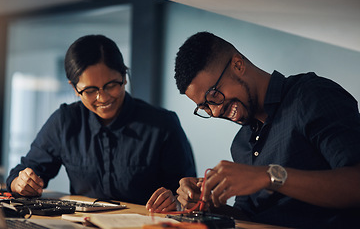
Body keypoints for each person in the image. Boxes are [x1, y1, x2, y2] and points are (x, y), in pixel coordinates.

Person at [146, 31, 360, 228]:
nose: (215, 111)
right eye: (204, 107)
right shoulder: (241, 143)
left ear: (238, 65)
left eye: (213, 96)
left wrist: (270, 176)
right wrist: (207, 205)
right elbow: (249, 217)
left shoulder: (312, 96)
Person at [6, 34, 196, 205]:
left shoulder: (163, 124)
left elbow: (188, 193)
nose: (103, 98)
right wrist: (22, 183)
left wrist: (177, 200)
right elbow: (23, 172)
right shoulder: (65, 122)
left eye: (111, 85)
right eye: (90, 91)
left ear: (124, 76)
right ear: (74, 89)